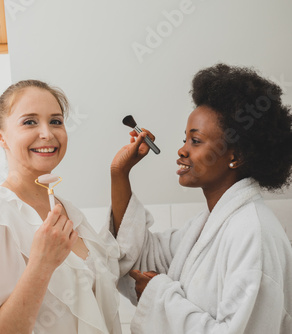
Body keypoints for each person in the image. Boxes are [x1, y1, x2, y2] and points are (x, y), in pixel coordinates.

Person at [0, 80, 142, 333]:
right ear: (0, 136)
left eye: (56, 121)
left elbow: (113, 261)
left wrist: (119, 173)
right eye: (29, 122)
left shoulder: (68, 211)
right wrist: (41, 265)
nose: (47, 134)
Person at [111, 63, 292, 333]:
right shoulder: (207, 225)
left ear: (236, 156)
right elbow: (143, 257)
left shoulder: (252, 234)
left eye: (195, 141)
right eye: (185, 139)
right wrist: (119, 173)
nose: (182, 150)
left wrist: (158, 295)